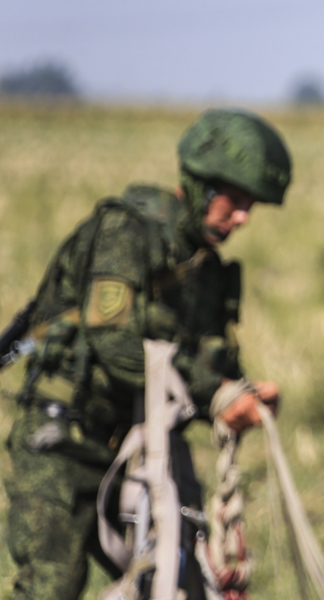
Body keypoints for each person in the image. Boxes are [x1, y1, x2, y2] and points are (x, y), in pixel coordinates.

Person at [3, 107, 292, 599]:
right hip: (64, 442)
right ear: (201, 184)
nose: (242, 217)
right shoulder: (125, 232)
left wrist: (241, 394)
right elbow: (116, 345)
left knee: (180, 582)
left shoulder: (206, 269)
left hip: (145, 452)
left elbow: (208, 364)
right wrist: (216, 394)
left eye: (252, 206)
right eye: (236, 200)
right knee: (52, 586)